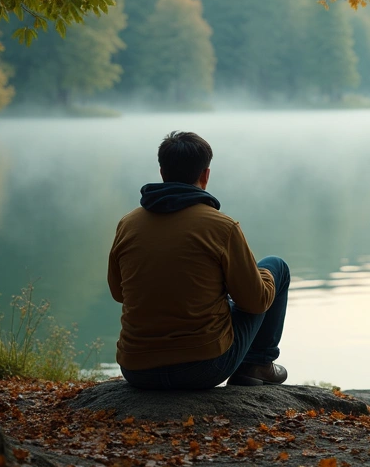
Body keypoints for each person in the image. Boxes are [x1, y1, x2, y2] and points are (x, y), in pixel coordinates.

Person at [108, 131, 290, 389]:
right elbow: (255, 301)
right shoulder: (222, 227)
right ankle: (257, 364)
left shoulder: (127, 224)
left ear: (162, 172)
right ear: (205, 175)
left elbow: (119, 293)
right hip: (201, 369)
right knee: (276, 266)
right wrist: (261, 275)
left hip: (137, 369)